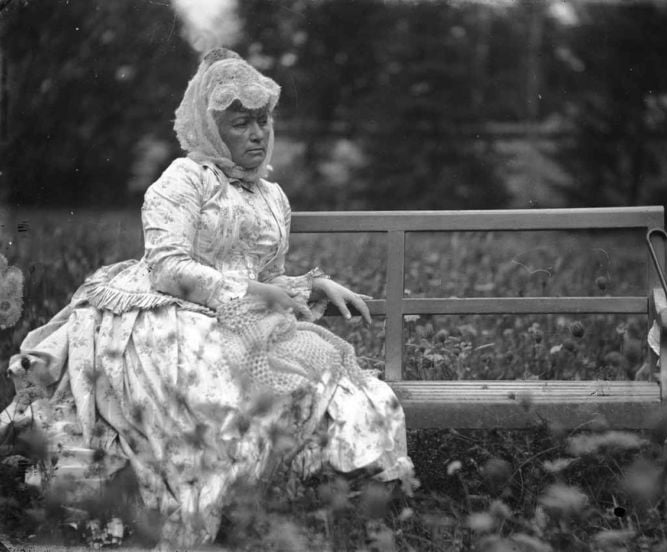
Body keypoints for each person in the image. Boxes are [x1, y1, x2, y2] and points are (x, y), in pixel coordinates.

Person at [3, 48, 413, 546]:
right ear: (213, 129)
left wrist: (312, 287)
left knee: (332, 379)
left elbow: (266, 278)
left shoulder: (271, 196)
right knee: (214, 395)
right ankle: (211, 519)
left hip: (241, 317)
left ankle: (328, 510)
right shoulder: (183, 180)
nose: (259, 134)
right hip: (169, 310)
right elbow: (167, 267)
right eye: (242, 124)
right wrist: (246, 291)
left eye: (264, 121)